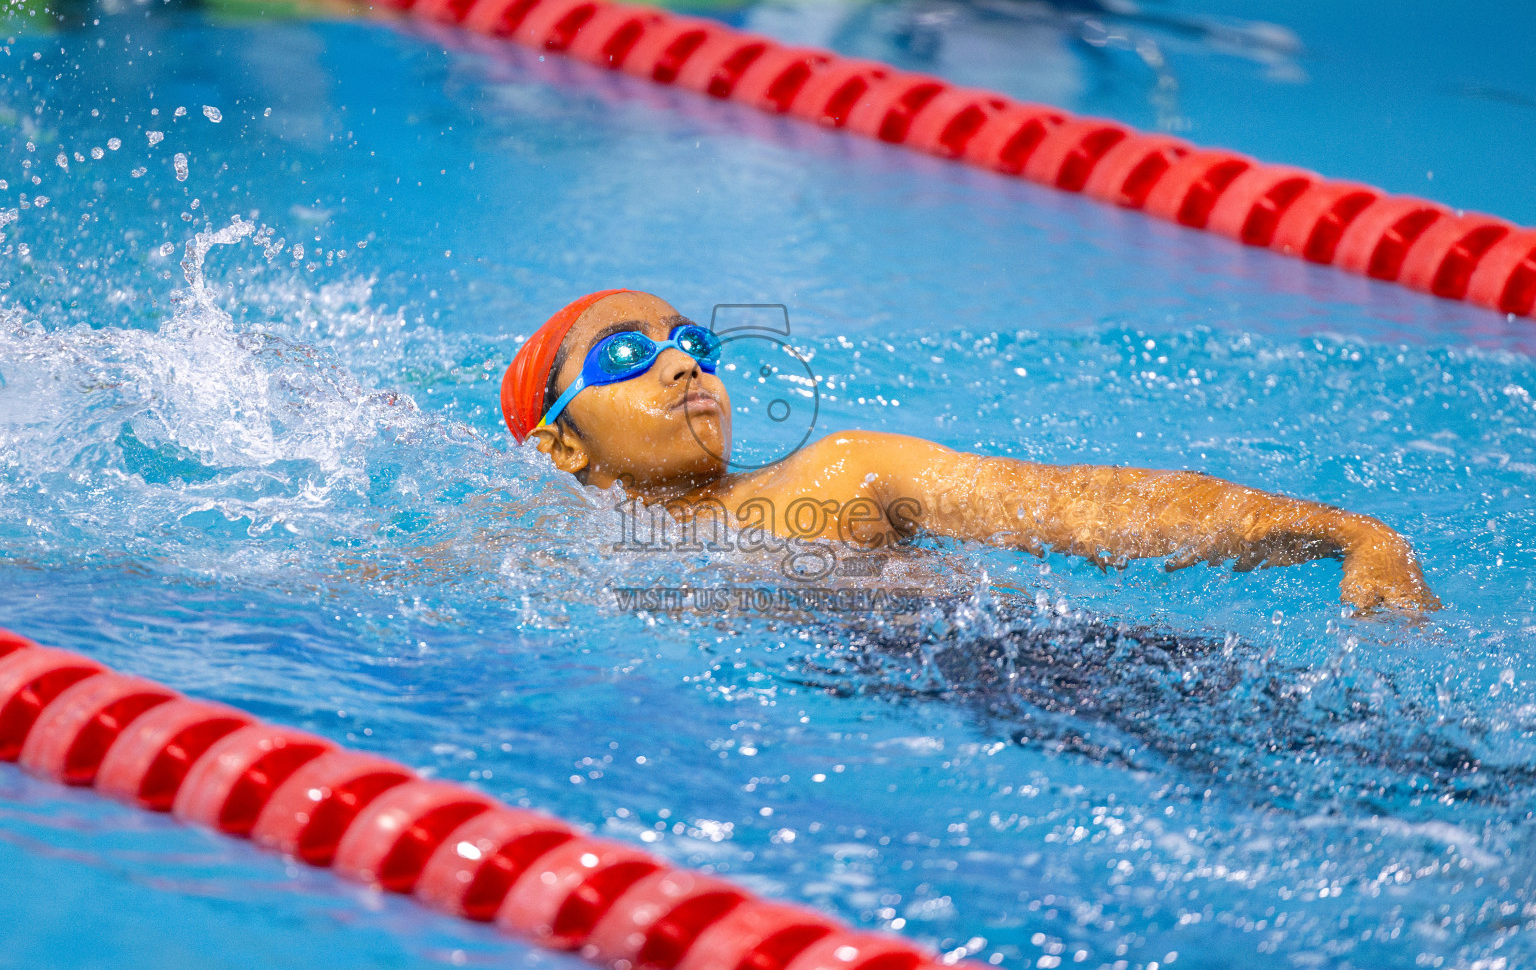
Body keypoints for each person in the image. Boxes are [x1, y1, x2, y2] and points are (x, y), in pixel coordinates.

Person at [501, 289, 1441, 614]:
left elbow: (1082, 507)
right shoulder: (543, 557)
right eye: (625, 355)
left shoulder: (838, 473)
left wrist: (1347, 534)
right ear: (564, 448)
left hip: (1060, 673)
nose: (681, 363)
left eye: (694, 343)